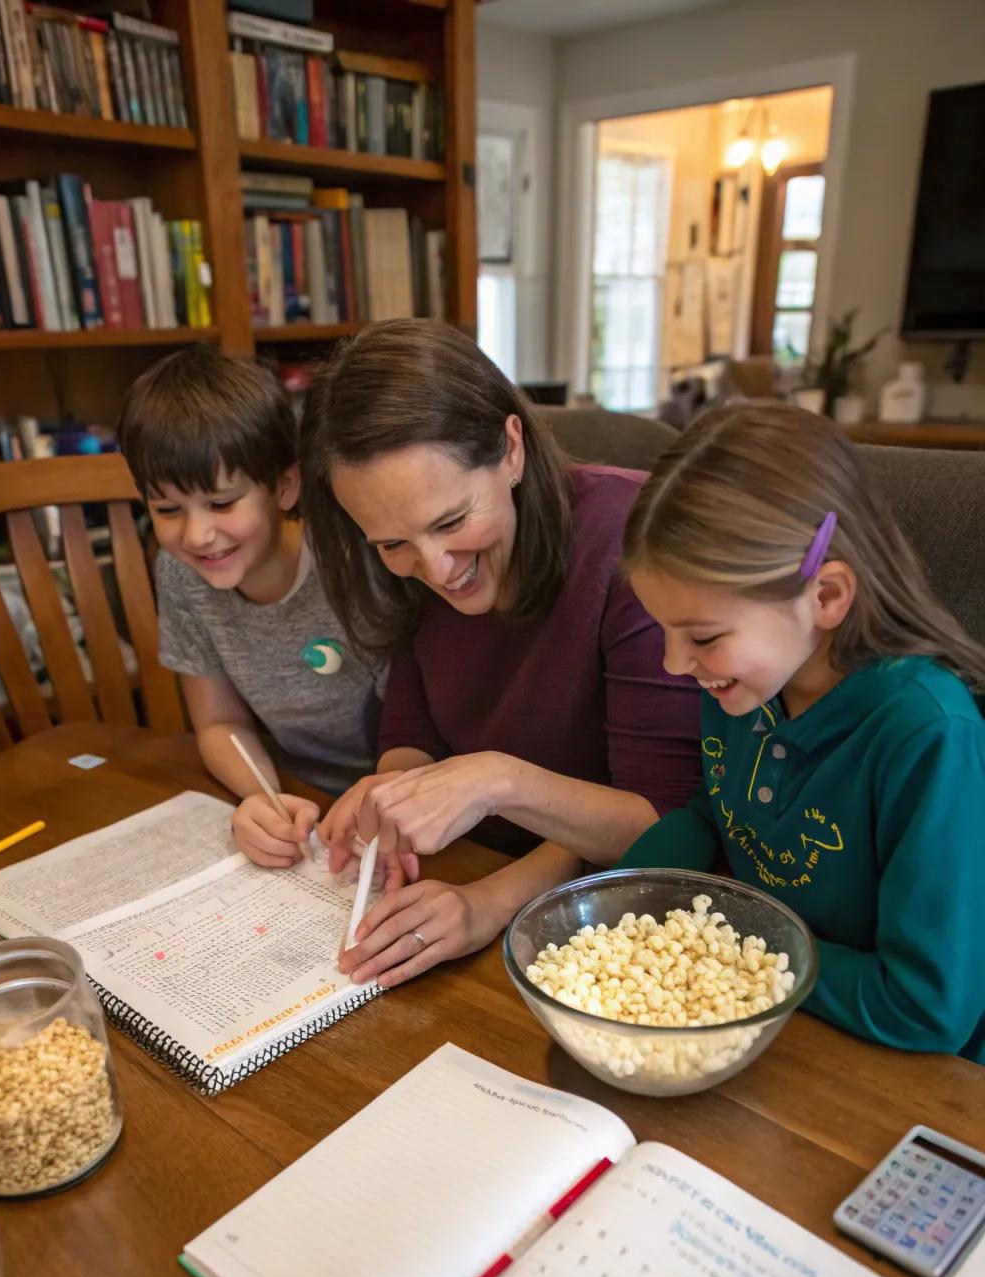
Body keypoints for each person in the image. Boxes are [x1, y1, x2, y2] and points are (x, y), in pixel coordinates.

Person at [299, 320, 701, 989]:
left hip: (618, 924)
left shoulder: (634, 546)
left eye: (452, 522)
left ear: (511, 450)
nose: (434, 569)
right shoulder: (406, 562)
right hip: (481, 872)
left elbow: (664, 825)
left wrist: (495, 806)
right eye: (392, 544)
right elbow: (411, 731)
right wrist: (394, 793)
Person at [616, 400, 985, 1062]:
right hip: (779, 1020)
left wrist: (726, 944)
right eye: (664, 629)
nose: (674, 664)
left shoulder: (927, 735)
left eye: (702, 635)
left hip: (909, 1071)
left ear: (826, 597)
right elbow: (719, 808)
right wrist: (615, 904)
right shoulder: (749, 684)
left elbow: (927, 1009)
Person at [118, 346, 383, 861]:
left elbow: (423, 722)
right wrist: (264, 799)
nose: (197, 535)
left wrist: (380, 798)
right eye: (167, 508)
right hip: (299, 792)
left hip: (404, 793)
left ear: (285, 485)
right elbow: (218, 724)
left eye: (221, 503)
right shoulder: (180, 572)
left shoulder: (353, 560)